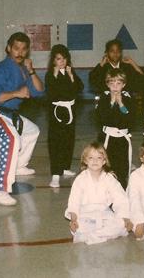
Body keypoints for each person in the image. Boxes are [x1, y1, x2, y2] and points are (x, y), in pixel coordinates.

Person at [0, 32, 44, 206]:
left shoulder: (24, 69)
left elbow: (39, 91)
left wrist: (31, 71)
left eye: (24, 49)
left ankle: (18, 165)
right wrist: (16, 93)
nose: (20, 52)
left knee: (32, 131)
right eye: (16, 48)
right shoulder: (1, 68)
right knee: (9, 138)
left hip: (9, 115)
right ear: (9, 48)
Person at [65, 142, 132, 245]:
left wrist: (125, 217)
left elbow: (120, 199)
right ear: (85, 161)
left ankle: (94, 235)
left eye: (99, 158)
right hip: (85, 214)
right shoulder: (80, 179)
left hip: (104, 213)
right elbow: (74, 201)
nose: (95, 161)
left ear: (104, 161)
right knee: (79, 227)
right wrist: (74, 219)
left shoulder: (109, 178)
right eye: (91, 158)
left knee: (120, 224)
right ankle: (101, 234)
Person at [45, 44, 84, 187]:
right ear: (54, 61)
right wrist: (55, 75)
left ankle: (65, 167)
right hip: (57, 111)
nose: (62, 62)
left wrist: (71, 76)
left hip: (70, 111)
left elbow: (79, 88)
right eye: (58, 59)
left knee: (69, 138)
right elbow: (52, 93)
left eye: (64, 59)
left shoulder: (70, 72)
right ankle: (55, 173)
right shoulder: (50, 75)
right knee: (56, 141)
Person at [94, 68, 135, 188]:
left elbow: (130, 119)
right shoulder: (104, 98)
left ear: (124, 84)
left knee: (122, 167)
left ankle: (122, 191)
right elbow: (102, 118)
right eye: (112, 83)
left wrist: (121, 104)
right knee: (107, 167)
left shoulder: (128, 98)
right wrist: (111, 102)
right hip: (108, 138)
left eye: (118, 83)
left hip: (122, 139)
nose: (115, 87)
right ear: (107, 84)